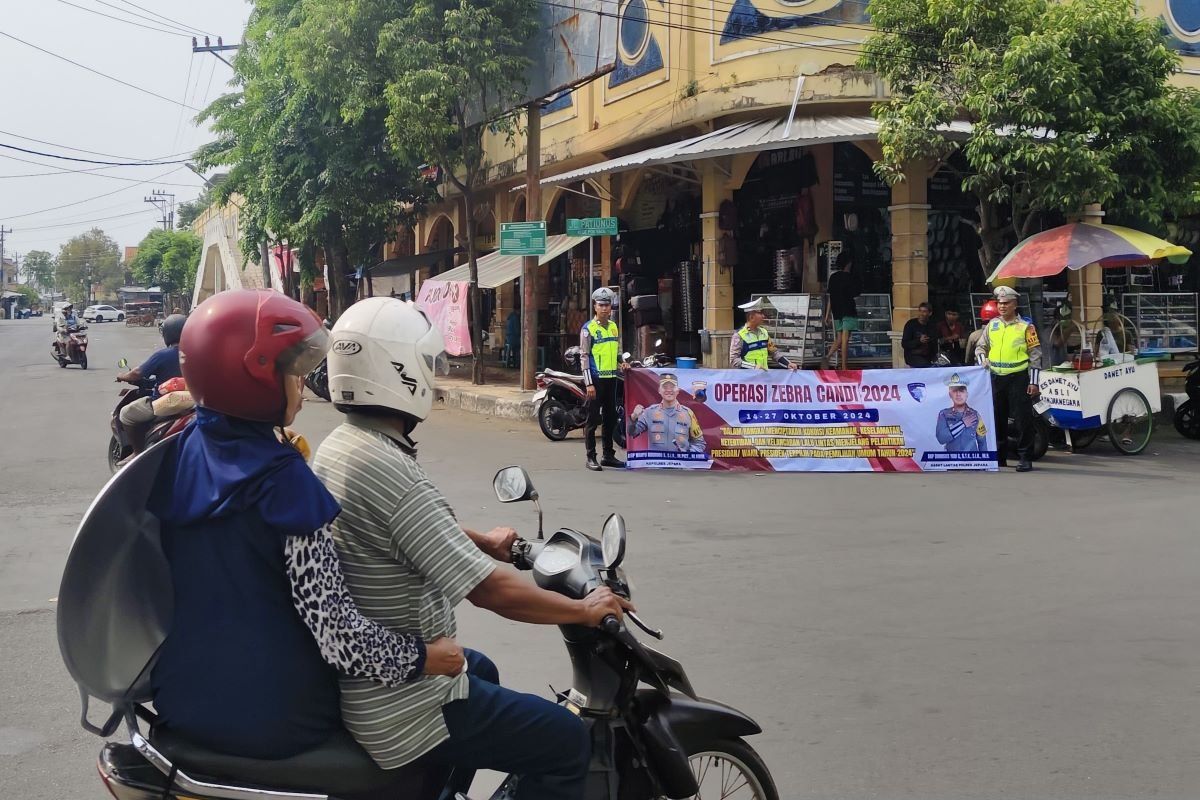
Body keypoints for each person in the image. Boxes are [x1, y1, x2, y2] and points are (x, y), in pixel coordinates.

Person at [312, 297, 633, 800]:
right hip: (404, 703)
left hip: (375, 682)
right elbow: (490, 592)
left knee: (481, 667)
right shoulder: (389, 470)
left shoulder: (347, 444)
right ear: (397, 370)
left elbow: (405, 529)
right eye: (423, 363)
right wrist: (583, 610)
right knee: (567, 742)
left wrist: (482, 539)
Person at [145, 289, 457, 764]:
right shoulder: (283, 481)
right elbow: (339, 637)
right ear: (250, 376)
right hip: (274, 715)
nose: (301, 389)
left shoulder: (182, 448)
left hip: (179, 700)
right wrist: (424, 657)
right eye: (289, 372)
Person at [975, 285, 1042, 472]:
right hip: (997, 378)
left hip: (1018, 377)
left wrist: (1034, 382)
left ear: (1015, 305)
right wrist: (983, 361)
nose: (1002, 306)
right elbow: (980, 347)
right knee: (997, 417)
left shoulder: (1026, 327)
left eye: (1006, 303)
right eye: (1000, 303)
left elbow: (1036, 355)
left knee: (1022, 419)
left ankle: (1025, 458)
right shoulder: (992, 325)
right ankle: (1000, 456)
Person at [116, 314, 187, 456]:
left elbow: (136, 373)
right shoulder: (196, 351)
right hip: (192, 402)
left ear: (167, 333)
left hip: (164, 403)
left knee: (125, 414)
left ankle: (137, 452)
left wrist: (121, 376)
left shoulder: (163, 355)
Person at [580, 287, 627, 471]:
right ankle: (591, 457)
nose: (605, 309)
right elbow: (584, 357)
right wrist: (589, 383)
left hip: (611, 378)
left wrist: (622, 362)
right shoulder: (588, 329)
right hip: (596, 380)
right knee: (592, 419)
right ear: (595, 307)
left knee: (611, 418)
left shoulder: (614, 327)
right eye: (601, 305)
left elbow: (617, 351)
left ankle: (608, 455)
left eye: (607, 305)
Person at [628, 372, 706, 453]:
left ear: (678, 391)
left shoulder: (688, 413)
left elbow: (700, 443)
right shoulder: (649, 412)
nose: (669, 390)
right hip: (656, 464)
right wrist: (633, 417)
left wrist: (688, 455)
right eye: (665, 387)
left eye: (672, 387)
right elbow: (631, 433)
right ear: (659, 390)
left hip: (681, 464)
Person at [729, 297, 799, 370]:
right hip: (748, 379)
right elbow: (734, 360)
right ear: (751, 317)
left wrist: (788, 364)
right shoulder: (739, 335)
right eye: (760, 313)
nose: (763, 316)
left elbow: (774, 352)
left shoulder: (764, 332)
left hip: (763, 377)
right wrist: (753, 367)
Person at [822, 252, 858, 369]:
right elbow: (855, 293)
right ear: (848, 263)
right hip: (848, 310)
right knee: (845, 339)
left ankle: (827, 357)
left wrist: (827, 315)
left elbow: (831, 297)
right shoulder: (850, 277)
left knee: (839, 338)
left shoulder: (833, 277)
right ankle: (844, 366)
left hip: (836, 311)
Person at [935, 373, 987, 452]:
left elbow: (982, 442)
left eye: (962, 390)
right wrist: (962, 424)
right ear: (950, 394)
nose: (958, 394)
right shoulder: (944, 414)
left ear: (967, 394)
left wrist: (985, 462)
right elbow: (941, 439)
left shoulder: (975, 415)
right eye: (955, 390)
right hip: (951, 461)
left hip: (972, 462)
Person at [901, 302, 938, 367]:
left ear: (930, 313)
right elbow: (904, 344)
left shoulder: (932, 326)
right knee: (924, 365)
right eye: (920, 311)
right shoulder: (911, 324)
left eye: (924, 311)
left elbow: (934, 344)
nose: (921, 314)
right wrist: (919, 341)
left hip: (928, 356)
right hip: (913, 356)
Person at [966, 300, 999, 366]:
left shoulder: (974, 335)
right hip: (999, 366)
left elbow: (968, 356)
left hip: (980, 367)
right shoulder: (1003, 332)